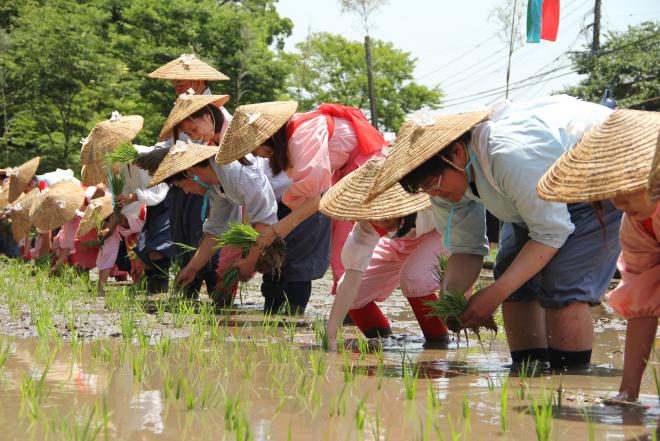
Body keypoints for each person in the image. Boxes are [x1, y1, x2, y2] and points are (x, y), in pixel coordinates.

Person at [367, 95, 621, 371]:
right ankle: (528, 374)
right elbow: (466, 249)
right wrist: (451, 293)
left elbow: (550, 233)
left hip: (595, 177)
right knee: (514, 279)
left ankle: (568, 384)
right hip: (533, 194)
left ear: (456, 152)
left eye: (434, 184)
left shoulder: (507, 155)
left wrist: (493, 294)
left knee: (562, 285)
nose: (434, 195)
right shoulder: (444, 182)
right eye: (425, 190)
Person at [537, 109, 660, 400]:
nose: (617, 201)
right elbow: (644, 302)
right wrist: (628, 393)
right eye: (609, 190)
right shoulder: (636, 223)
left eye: (626, 186)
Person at [216, 101, 387, 293]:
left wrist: (274, 232)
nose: (257, 155)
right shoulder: (291, 141)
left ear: (268, 136)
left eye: (254, 147)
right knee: (342, 253)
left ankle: (355, 308)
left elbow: (315, 200)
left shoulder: (301, 139)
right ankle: (349, 311)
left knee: (349, 250)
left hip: (365, 168)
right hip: (344, 173)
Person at [322, 157, 450, 347]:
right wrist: (330, 337)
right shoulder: (366, 226)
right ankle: (384, 342)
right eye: (375, 214)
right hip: (402, 242)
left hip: (441, 233)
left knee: (413, 278)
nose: (382, 221)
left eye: (388, 213)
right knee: (350, 292)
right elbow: (351, 278)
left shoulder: (431, 200)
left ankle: (438, 343)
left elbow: (460, 228)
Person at [140, 140, 278, 305]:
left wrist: (250, 262)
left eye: (182, 185)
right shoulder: (216, 186)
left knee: (284, 279)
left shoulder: (237, 172)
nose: (186, 191)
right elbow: (216, 231)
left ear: (190, 172)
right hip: (271, 218)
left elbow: (264, 220)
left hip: (290, 203)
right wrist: (192, 268)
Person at [148, 54, 232, 298]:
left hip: (206, 185)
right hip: (182, 185)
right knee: (182, 239)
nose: (177, 90)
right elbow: (166, 144)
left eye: (181, 84)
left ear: (197, 81)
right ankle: (188, 293)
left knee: (205, 236)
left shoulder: (217, 113)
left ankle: (218, 297)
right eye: (175, 85)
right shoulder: (179, 110)